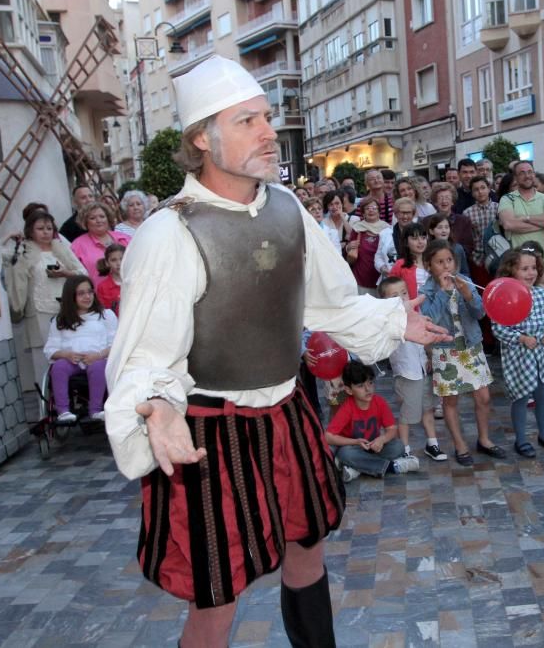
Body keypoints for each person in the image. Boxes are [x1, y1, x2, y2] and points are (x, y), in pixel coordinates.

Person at [103, 56, 449, 648]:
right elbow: (143, 357)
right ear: (201, 140)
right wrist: (156, 407)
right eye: (247, 121)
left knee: (306, 548)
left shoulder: (289, 210)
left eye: (266, 116)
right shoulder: (169, 234)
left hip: (288, 412)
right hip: (210, 433)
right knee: (216, 598)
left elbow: (333, 303)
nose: (268, 131)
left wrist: (393, 320)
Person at [420, 239, 503, 465]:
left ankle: (484, 439)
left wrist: (468, 295)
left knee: (483, 397)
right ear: (429, 265)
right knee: (451, 402)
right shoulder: (426, 290)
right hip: (445, 351)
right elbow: (431, 321)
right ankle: (459, 445)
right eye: (439, 262)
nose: (446, 266)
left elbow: (480, 314)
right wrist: (444, 294)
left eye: (449, 260)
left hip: (470, 346)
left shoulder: (465, 281)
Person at [4, 209, 88, 393]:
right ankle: (46, 401)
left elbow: (83, 273)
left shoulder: (61, 248)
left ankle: (70, 399)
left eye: (49, 228)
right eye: (40, 228)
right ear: (30, 231)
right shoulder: (25, 251)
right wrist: (8, 236)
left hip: (64, 308)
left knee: (69, 352)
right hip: (38, 310)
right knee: (42, 356)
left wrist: (66, 273)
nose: (45, 232)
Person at [491, 251, 544, 457]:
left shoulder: (542, 294)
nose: (531, 273)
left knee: (543, 395)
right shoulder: (504, 296)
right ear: (511, 270)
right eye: (524, 269)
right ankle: (521, 439)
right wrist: (521, 338)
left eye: (534, 268)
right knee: (520, 397)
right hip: (520, 357)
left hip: (542, 354)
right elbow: (499, 328)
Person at [378, 277, 446, 461]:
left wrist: (429, 355)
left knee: (428, 408)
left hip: (422, 368)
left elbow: (424, 338)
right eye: (395, 296)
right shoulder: (387, 322)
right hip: (407, 373)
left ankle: (432, 443)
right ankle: (404, 448)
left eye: (404, 293)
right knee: (407, 414)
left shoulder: (415, 313)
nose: (402, 298)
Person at [324, 360, 418, 481]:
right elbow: (328, 437)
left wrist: (382, 439)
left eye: (370, 383)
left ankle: (356, 468)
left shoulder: (379, 402)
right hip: (354, 447)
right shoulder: (347, 407)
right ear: (349, 390)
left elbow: (392, 429)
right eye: (360, 386)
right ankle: (392, 467)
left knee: (398, 446)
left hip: (374, 446)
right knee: (345, 453)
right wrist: (355, 442)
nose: (368, 389)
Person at [44, 275, 116, 423]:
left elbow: (116, 344)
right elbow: (51, 348)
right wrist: (67, 354)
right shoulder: (60, 320)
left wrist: (98, 355)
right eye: (81, 293)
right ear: (71, 296)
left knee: (98, 367)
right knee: (58, 367)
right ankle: (63, 411)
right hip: (72, 361)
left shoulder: (105, 316)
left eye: (90, 292)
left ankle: (96, 410)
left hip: (98, 359)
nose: (87, 296)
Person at [497, 160, 544, 257]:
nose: (527, 176)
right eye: (522, 173)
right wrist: (542, 224)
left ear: (534, 174)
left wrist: (526, 218)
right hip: (519, 263)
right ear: (516, 178)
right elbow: (508, 224)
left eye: (530, 172)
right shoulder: (507, 199)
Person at [69, 201, 130, 288]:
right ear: (85, 222)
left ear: (108, 218)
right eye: (92, 218)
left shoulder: (125, 239)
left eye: (102, 216)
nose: (98, 220)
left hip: (128, 290)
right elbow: (74, 273)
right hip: (96, 295)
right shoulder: (78, 245)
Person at [346, 198, 389, 295]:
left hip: (382, 279)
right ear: (363, 213)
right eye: (367, 208)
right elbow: (348, 251)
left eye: (374, 207)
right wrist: (348, 247)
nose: (371, 210)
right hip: (360, 279)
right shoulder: (357, 228)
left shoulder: (387, 229)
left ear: (379, 211)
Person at [374, 197, 417, 278]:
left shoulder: (421, 233)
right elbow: (378, 257)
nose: (405, 216)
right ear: (396, 214)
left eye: (408, 213)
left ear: (413, 214)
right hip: (391, 278)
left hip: (415, 278)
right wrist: (383, 268)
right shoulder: (385, 233)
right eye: (402, 213)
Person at [431, 183, 475, 261]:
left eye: (447, 197)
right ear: (435, 202)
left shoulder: (464, 221)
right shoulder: (427, 221)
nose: (444, 201)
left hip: (458, 263)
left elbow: (469, 247)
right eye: (440, 198)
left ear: (452, 201)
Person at [95, 244, 125, 316]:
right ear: (107, 263)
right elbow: (104, 313)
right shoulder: (103, 287)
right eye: (113, 260)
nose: (119, 263)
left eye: (122, 259)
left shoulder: (136, 281)